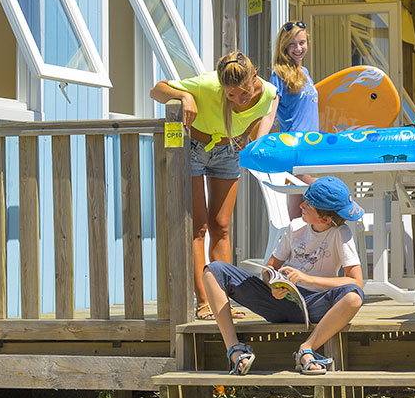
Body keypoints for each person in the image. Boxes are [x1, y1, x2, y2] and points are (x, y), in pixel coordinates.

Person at [150, 52, 279, 320]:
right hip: (194, 149)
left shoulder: (267, 92)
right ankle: (204, 302)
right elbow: (157, 90)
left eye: (243, 94)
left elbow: (263, 112)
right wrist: (184, 96)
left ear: (254, 78)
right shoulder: (208, 85)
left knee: (220, 226)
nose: (237, 101)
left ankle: (223, 302)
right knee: (198, 226)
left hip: (228, 152)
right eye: (230, 96)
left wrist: (249, 138)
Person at [200, 176, 365, 375]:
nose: (302, 205)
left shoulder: (341, 233)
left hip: (315, 305)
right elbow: (269, 267)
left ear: (325, 219)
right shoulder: (295, 228)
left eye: (309, 205)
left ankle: (307, 349)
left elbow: (356, 281)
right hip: (280, 300)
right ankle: (235, 351)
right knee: (213, 271)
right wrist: (273, 285)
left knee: (354, 296)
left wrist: (306, 279)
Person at [269, 21, 320, 218]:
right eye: (292, 44)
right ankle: (293, 247)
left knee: (302, 209)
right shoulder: (279, 75)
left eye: (302, 42)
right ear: (284, 47)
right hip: (297, 149)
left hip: (312, 146)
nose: (298, 48)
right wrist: (258, 143)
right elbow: (270, 113)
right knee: (322, 196)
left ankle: (296, 248)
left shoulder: (304, 72)